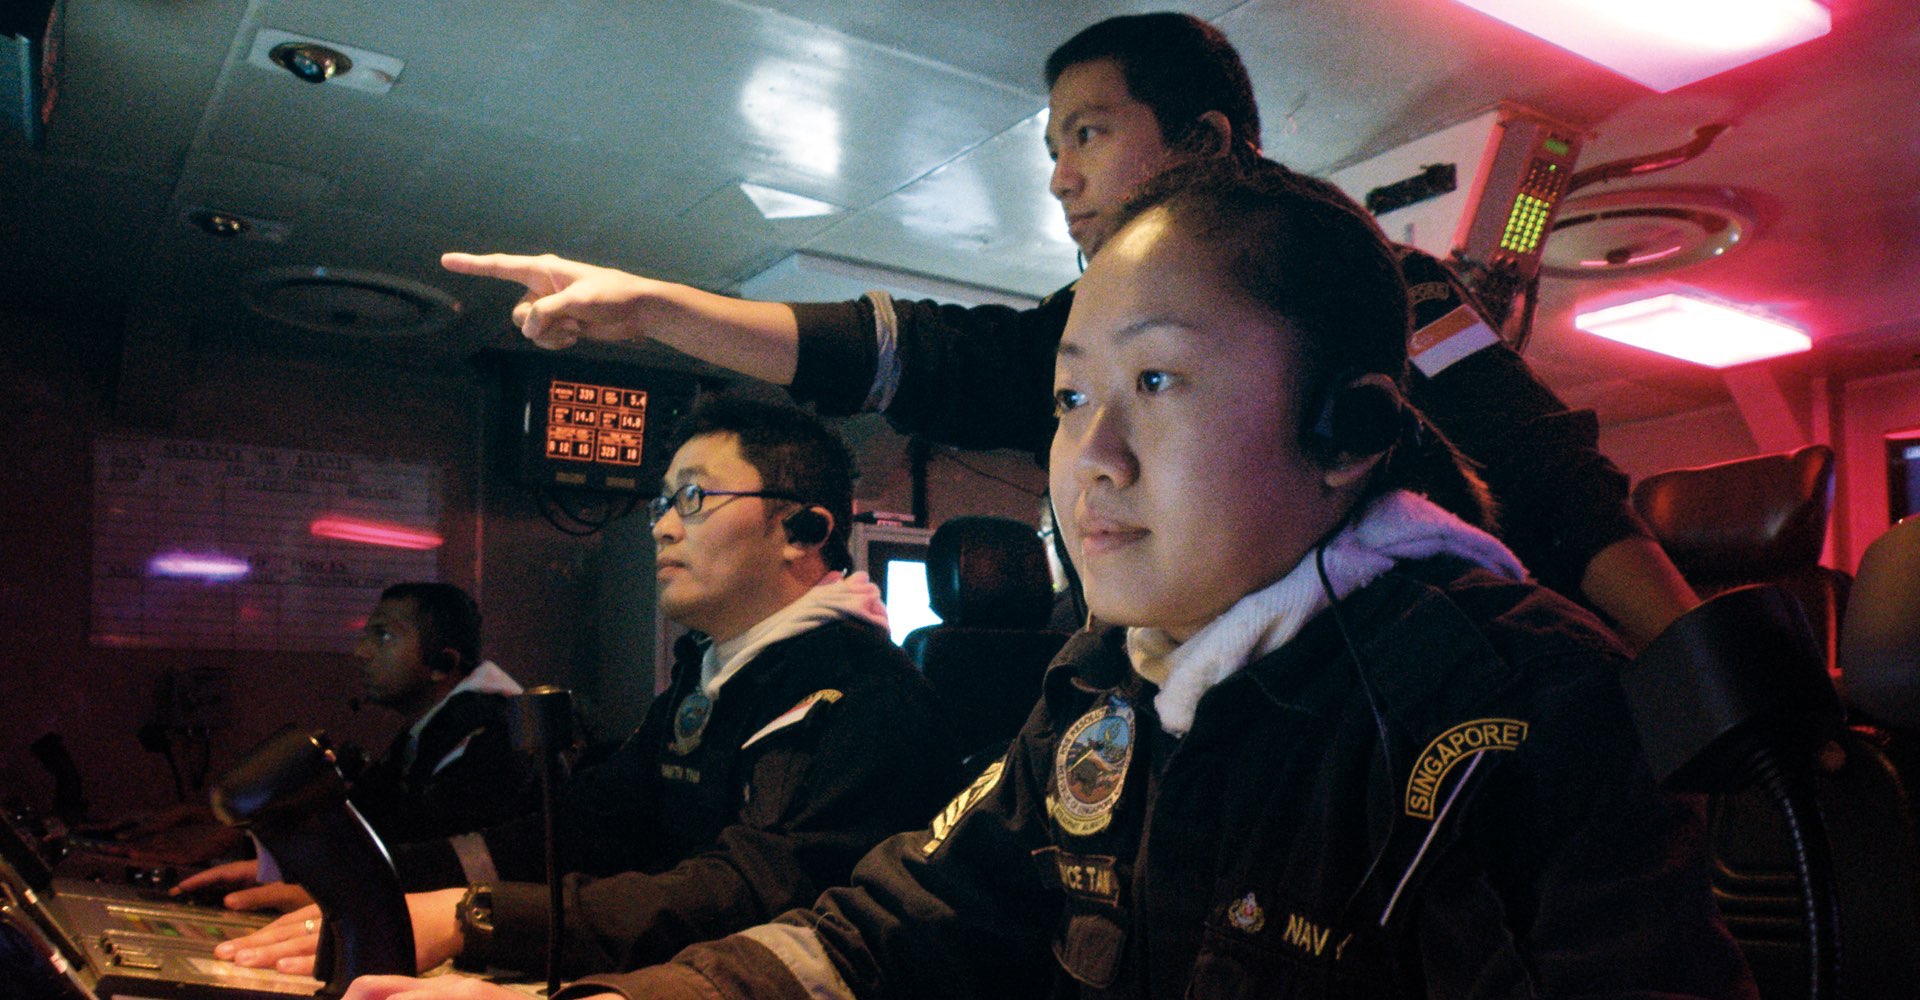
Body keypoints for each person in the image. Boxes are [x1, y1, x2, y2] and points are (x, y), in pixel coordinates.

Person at [342, 156, 1755, 1000]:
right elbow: (894, 927)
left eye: (1158, 382)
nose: (1094, 459)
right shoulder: (1099, 685)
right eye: (1075, 398)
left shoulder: (1528, 709)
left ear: (1350, 431)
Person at [440, 12, 1697, 651]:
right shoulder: (1075, 342)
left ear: (1204, 143)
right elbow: (922, 355)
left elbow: (1550, 480)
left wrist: (1712, 686)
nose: (1057, 177)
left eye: (1089, 133)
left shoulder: (1383, 289)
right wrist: (657, 309)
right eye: (1052, 145)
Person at [209, 397, 962, 980]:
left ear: (803, 531)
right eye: (663, 503)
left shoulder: (864, 695)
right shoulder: (713, 673)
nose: (662, 528)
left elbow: (750, 891)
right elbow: (583, 826)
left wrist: (477, 918)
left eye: (693, 498)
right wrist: (368, 880)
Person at [346, 582, 534, 845]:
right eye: (367, 636)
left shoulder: (491, 741)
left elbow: (427, 847)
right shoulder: (434, 734)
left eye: (384, 636)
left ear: (442, 665)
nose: (361, 652)